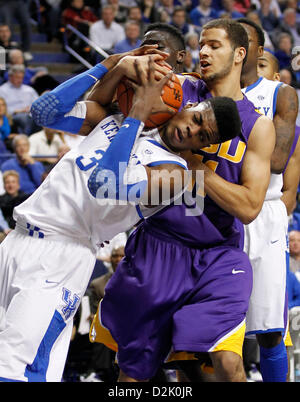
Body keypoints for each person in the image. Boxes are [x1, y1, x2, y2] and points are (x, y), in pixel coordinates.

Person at [0, 48, 242, 382]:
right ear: (188, 107)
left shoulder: (175, 174)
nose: (192, 131)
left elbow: (105, 183)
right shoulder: (116, 118)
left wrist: (138, 113)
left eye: (204, 136)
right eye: (197, 119)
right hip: (17, 240)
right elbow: (44, 113)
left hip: (60, 258)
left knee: (14, 371)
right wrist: (111, 64)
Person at [94, 19, 276, 382]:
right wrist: (121, 66)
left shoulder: (257, 125)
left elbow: (249, 208)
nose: (203, 52)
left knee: (227, 362)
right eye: (201, 45)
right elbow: (97, 108)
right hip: (158, 245)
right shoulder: (177, 88)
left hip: (217, 253)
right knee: (134, 375)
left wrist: (198, 170)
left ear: (240, 54)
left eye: (214, 45)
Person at [237, 17, 298, 382]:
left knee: (271, 328)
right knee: (209, 326)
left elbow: (276, 160)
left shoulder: (279, 93)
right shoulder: (202, 90)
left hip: (265, 209)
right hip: (218, 207)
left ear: (257, 50)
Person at [0, 65, 39, 135]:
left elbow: (38, 104)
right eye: (17, 77)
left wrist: (31, 109)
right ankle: (26, 138)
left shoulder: (29, 90)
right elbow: (2, 108)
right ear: (10, 77)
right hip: (12, 115)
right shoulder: (2, 90)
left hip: (30, 114)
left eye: (21, 78)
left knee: (41, 118)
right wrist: (17, 111)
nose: (20, 80)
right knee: (23, 118)